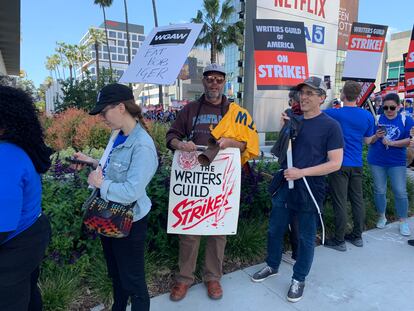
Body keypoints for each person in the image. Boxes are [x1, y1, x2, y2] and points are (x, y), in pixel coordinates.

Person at [166, 63, 256, 301]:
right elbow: (171, 136)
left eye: (218, 79)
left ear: (224, 82)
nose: (214, 83)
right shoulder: (190, 109)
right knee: (190, 228)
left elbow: (247, 144)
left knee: (219, 229)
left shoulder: (236, 111)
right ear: (203, 81)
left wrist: (231, 142)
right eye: (210, 79)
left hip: (224, 177)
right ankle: (184, 278)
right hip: (196, 176)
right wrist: (180, 145)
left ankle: (212, 277)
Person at [251, 76, 343, 302]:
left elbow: (335, 163)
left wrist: (302, 172)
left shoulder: (331, 126)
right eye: (302, 92)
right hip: (285, 183)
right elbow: (282, 152)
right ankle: (272, 265)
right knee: (275, 229)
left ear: (322, 98)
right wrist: (284, 128)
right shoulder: (293, 119)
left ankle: (299, 278)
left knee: (305, 236)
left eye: (310, 93)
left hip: (309, 187)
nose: (304, 97)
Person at [74, 83, 158, 311]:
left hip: (130, 223)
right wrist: (92, 162)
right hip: (109, 217)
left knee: (134, 281)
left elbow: (132, 190)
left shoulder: (142, 145)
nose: (102, 117)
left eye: (104, 111)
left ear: (121, 107)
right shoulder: (117, 135)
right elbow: (112, 167)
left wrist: (100, 183)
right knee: (117, 274)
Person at [0, 85, 53, 311]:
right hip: (31, 232)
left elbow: (3, 225)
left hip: (16, 242)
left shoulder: (5, 156)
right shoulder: (16, 148)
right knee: (30, 296)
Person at [323, 80, 376, 251]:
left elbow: (313, 116)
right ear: (358, 95)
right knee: (357, 201)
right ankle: (357, 236)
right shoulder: (367, 116)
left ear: (343, 94)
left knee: (340, 202)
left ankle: (339, 240)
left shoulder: (334, 113)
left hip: (338, 164)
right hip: (357, 164)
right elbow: (368, 140)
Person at [367, 93, 413, 236]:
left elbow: (409, 141)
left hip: (397, 161)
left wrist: (392, 143)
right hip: (377, 160)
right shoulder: (377, 119)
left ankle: (403, 221)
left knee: (400, 191)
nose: (388, 110)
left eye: (392, 107)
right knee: (379, 190)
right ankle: (382, 216)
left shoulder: (406, 120)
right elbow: (368, 141)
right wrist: (376, 136)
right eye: (385, 107)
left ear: (399, 107)